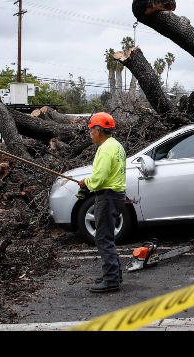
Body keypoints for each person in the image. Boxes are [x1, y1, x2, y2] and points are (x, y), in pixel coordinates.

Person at [78, 112, 127, 294]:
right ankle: (114, 275)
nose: (90, 133)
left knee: (103, 238)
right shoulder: (116, 145)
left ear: (98, 130)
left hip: (107, 197)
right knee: (107, 237)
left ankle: (111, 280)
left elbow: (99, 178)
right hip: (115, 196)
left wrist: (86, 182)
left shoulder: (106, 149)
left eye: (91, 130)